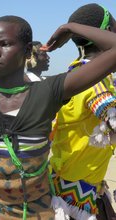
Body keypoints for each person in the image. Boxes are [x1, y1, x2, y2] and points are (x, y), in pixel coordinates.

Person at [0, 14, 116, 219]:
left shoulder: (47, 92)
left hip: (35, 213)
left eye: (4, 43)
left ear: (26, 51)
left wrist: (70, 28)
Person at [50, 4, 116, 219]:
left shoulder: (77, 72)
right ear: (106, 34)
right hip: (76, 200)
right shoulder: (94, 82)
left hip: (74, 184)